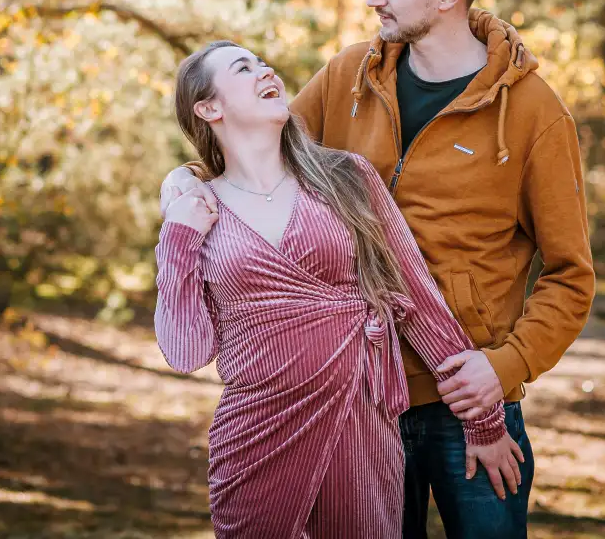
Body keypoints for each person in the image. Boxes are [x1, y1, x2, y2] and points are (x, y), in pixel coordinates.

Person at [162, 0, 595, 538]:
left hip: (462, 394)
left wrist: (505, 369)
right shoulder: (348, 77)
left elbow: (570, 276)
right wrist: (180, 185)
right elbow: (247, 154)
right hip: (360, 397)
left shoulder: (533, 114)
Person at [156, 39, 523, 538]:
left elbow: (416, 300)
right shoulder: (197, 210)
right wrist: (178, 237)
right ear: (209, 107)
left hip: (361, 426)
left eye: (265, 62)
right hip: (255, 443)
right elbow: (186, 351)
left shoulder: (345, 178)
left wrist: (484, 422)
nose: (267, 71)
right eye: (244, 68)